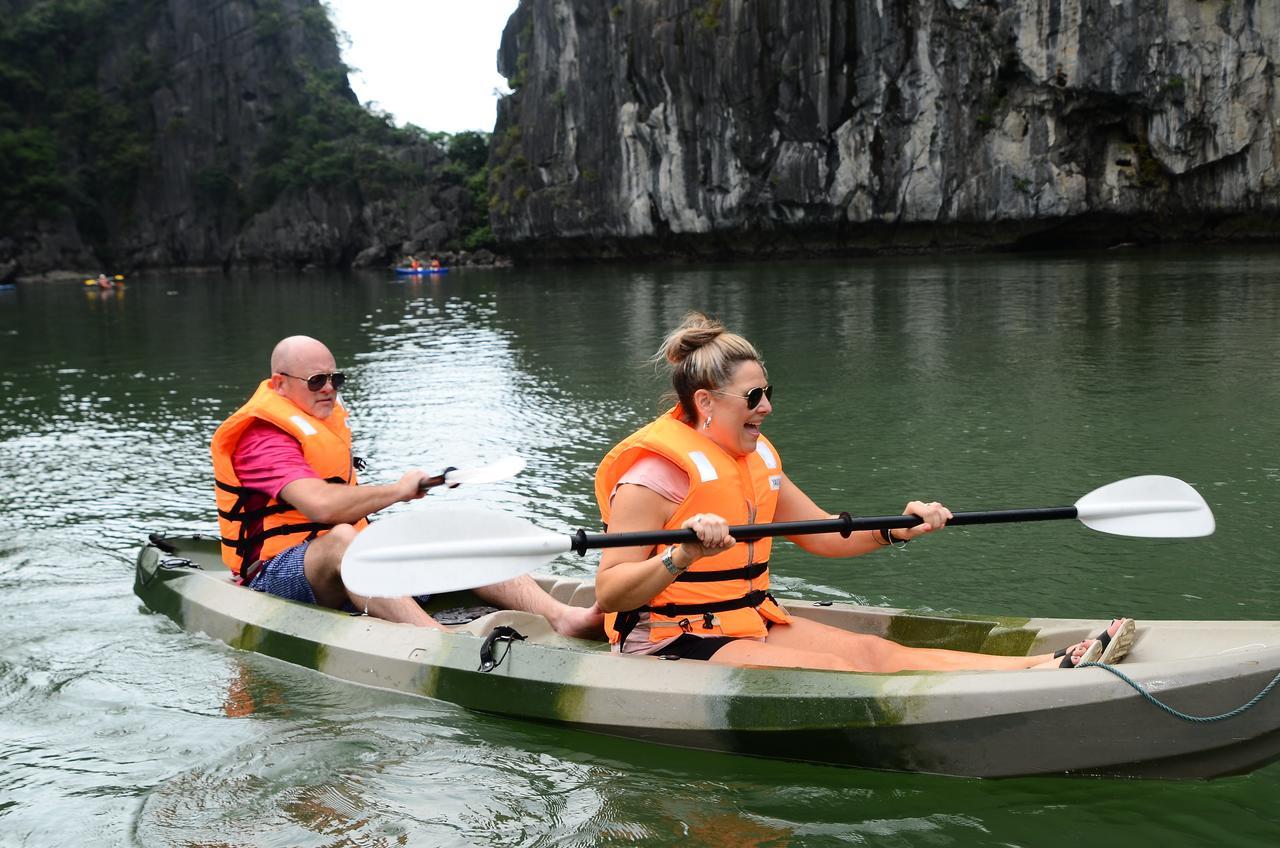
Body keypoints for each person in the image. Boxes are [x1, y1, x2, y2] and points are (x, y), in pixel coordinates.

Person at [593, 313, 1135, 671]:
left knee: (875, 652)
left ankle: (1043, 668)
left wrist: (895, 530)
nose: (766, 407)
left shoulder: (753, 458)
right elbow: (611, 593)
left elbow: (825, 536)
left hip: (746, 621)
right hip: (667, 641)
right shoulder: (652, 474)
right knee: (833, 670)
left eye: (768, 392)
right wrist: (682, 552)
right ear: (707, 403)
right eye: (753, 396)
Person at [212, 335, 602, 636]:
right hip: (274, 576)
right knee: (346, 539)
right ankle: (435, 640)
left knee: (455, 532)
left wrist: (415, 486)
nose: (329, 388)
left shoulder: (320, 420)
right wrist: (399, 489)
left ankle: (563, 616)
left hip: (350, 559)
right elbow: (322, 507)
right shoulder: (261, 438)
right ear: (280, 384)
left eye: (335, 378)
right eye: (316, 381)